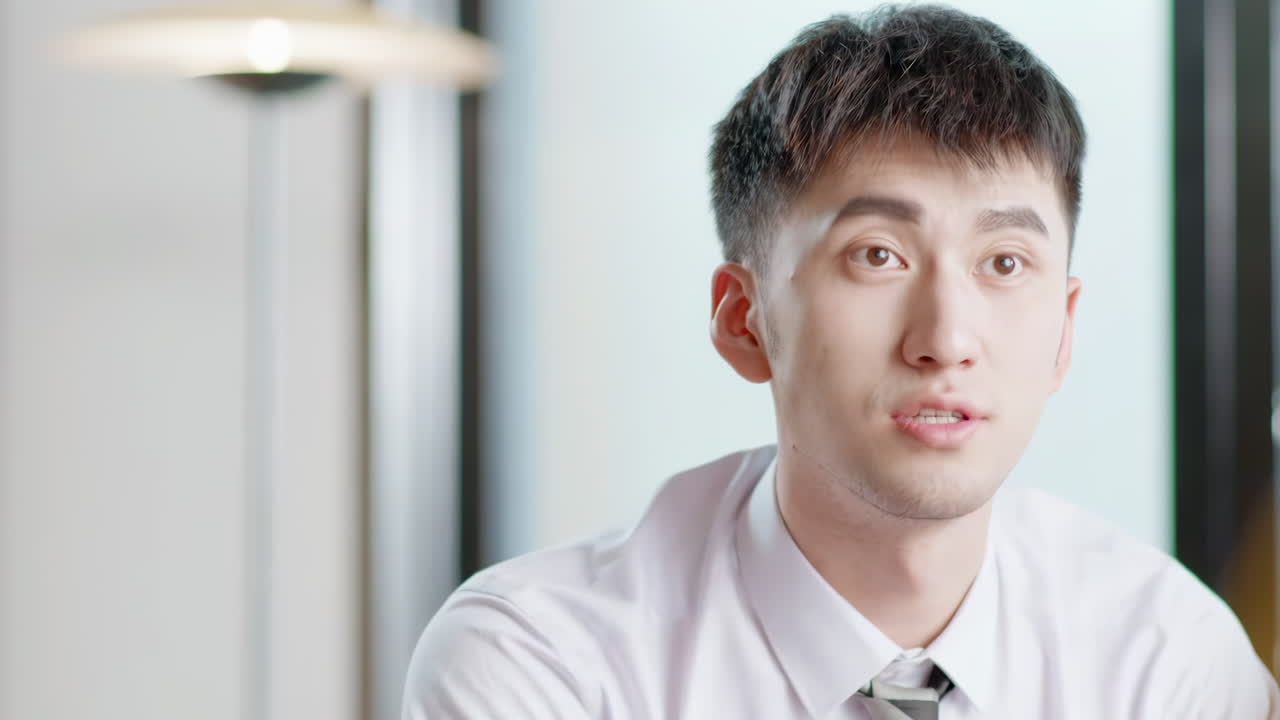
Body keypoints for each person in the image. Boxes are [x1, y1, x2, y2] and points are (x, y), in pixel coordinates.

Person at [403, 5, 1280, 718]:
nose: (946, 338)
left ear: (1064, 333)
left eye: (1004, 264)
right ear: (744, 319)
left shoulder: (1164, 657)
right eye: (878, 256)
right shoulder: (545, 664)